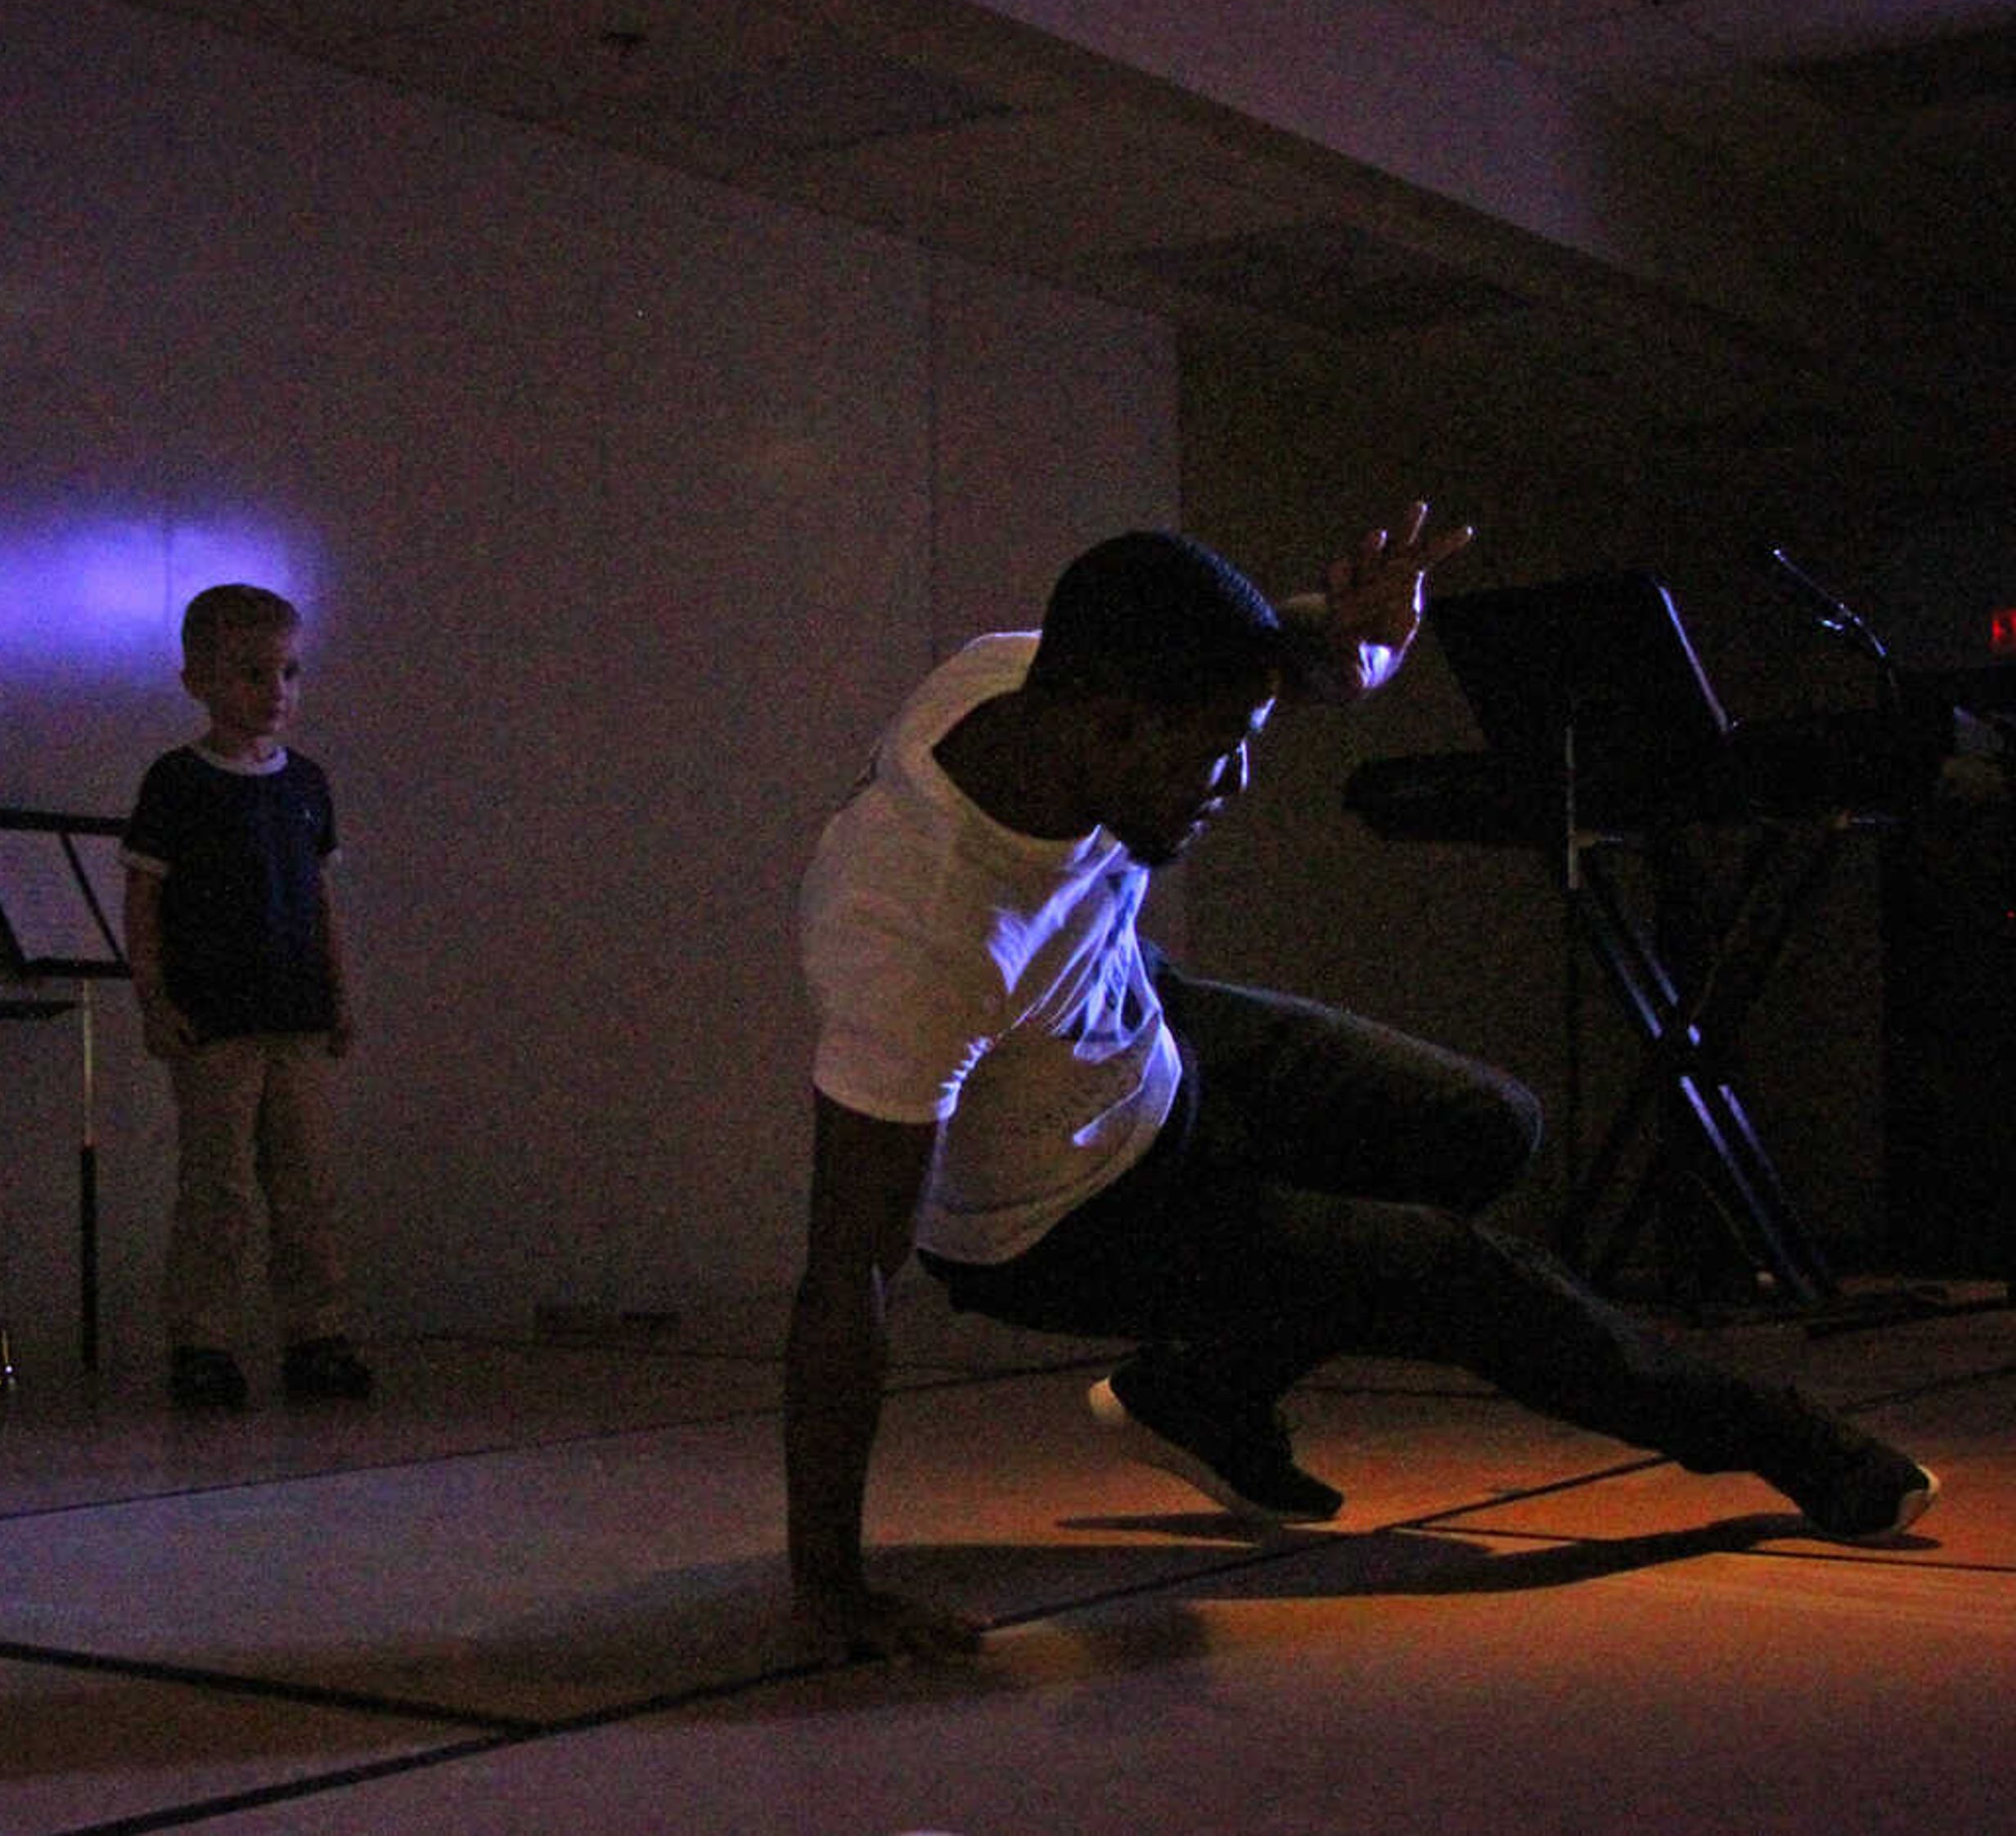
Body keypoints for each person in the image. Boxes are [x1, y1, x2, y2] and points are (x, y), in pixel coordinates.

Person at [785, 515, 1939, 1659]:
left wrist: (1350, 642)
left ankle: (1201, 1396)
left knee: (1487, 1129)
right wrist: (830, 1582)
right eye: (1213, 748)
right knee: (1450, 1276)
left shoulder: (1037, 676)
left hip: (1141, 1039)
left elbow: (1269, 656)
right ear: (1109, 722)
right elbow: (852, 1275)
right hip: (1061, 1220)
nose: (1233, 779)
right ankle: (1789, 1443)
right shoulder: (921, 934)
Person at [122, 583, 371, 1411]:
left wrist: (340, 989)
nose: (276, 693)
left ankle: (316, 1332)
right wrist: (154, 998)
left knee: (307, 1181)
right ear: (197, 679)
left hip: (295, 1012)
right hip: (216, 1020)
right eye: (252, 673)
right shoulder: (177, 783)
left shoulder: (306, 783)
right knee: (218, 1185)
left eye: (289, 672)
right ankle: (203, 1339)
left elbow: (321, 896)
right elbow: (145, 900)